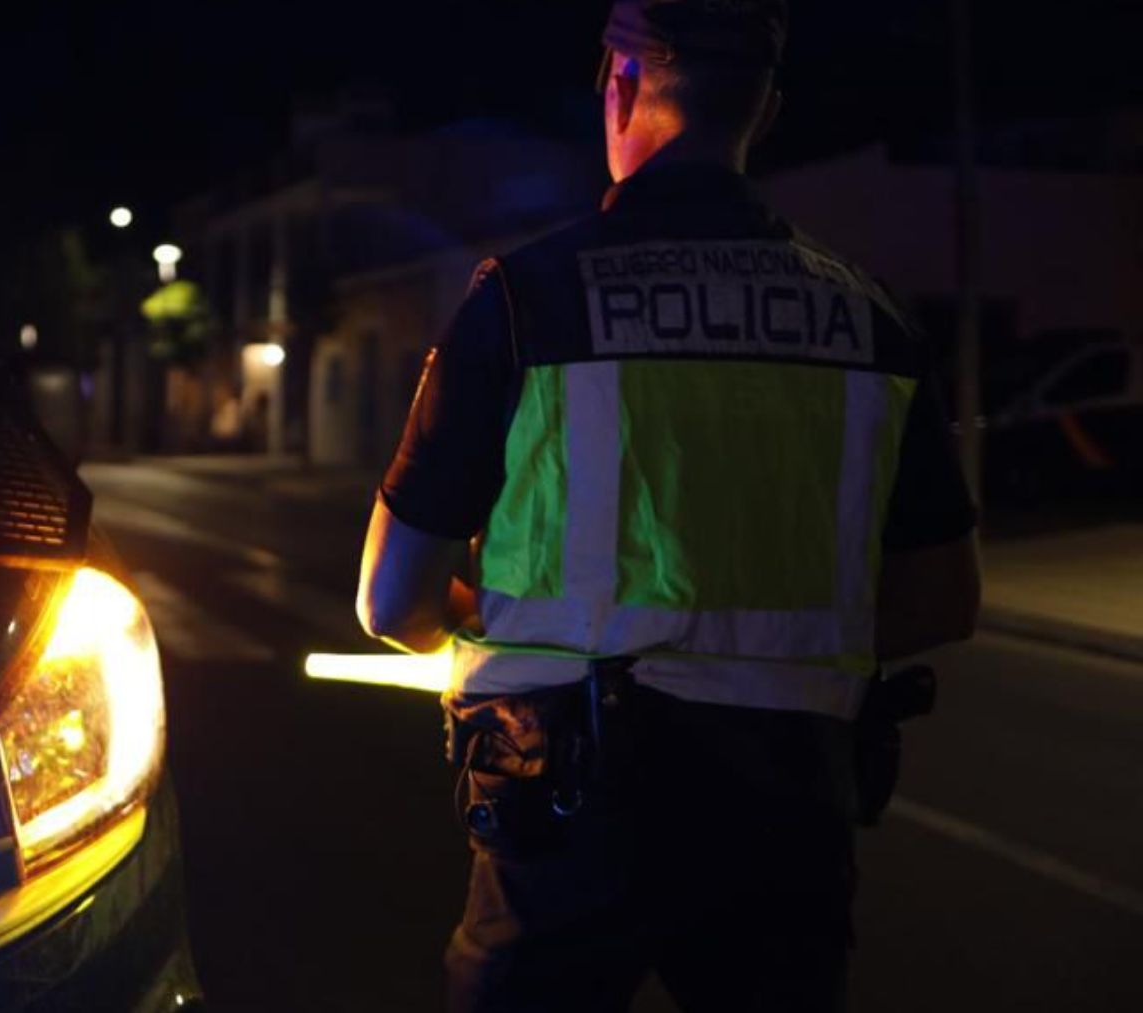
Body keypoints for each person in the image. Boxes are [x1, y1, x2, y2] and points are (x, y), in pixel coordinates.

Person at [354, 1, 981, 1010]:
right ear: (766, 107)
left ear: (620, 83)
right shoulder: (869, 316)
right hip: (791, 806)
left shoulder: (525, 297)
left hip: (564, 808)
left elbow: (390, 602)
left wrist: (494, 623)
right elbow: (945, 596)